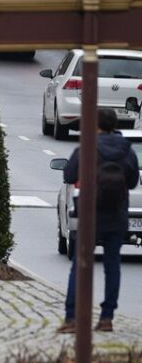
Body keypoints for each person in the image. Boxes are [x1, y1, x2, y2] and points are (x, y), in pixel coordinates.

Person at [58, 109, 140, 334]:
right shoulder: (127, 150)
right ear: (114, 125)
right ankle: (107, 318)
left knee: (80, 265)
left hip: (90, 215)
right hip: (117, 215)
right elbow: (133, 182)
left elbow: (68, 175)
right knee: (112, 267)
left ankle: (72, 317)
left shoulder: (87, 147)